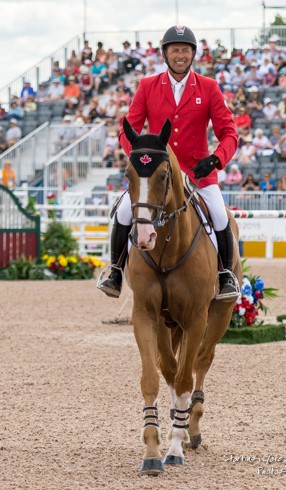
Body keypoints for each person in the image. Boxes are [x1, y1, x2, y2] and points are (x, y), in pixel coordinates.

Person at [99, 25, 239, 300]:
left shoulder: (209, 87)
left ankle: (225, 276)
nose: (180, 55)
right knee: (125, 212)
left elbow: (229, 133)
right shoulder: (148, 86)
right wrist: (142, 159)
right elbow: (128, 128)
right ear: (165, 53)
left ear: (193, 54)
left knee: (220, 216)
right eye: (174, 50)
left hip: (197, 174)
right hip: (156, 174)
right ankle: (115, 270)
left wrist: (215, 159)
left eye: (185, 50)